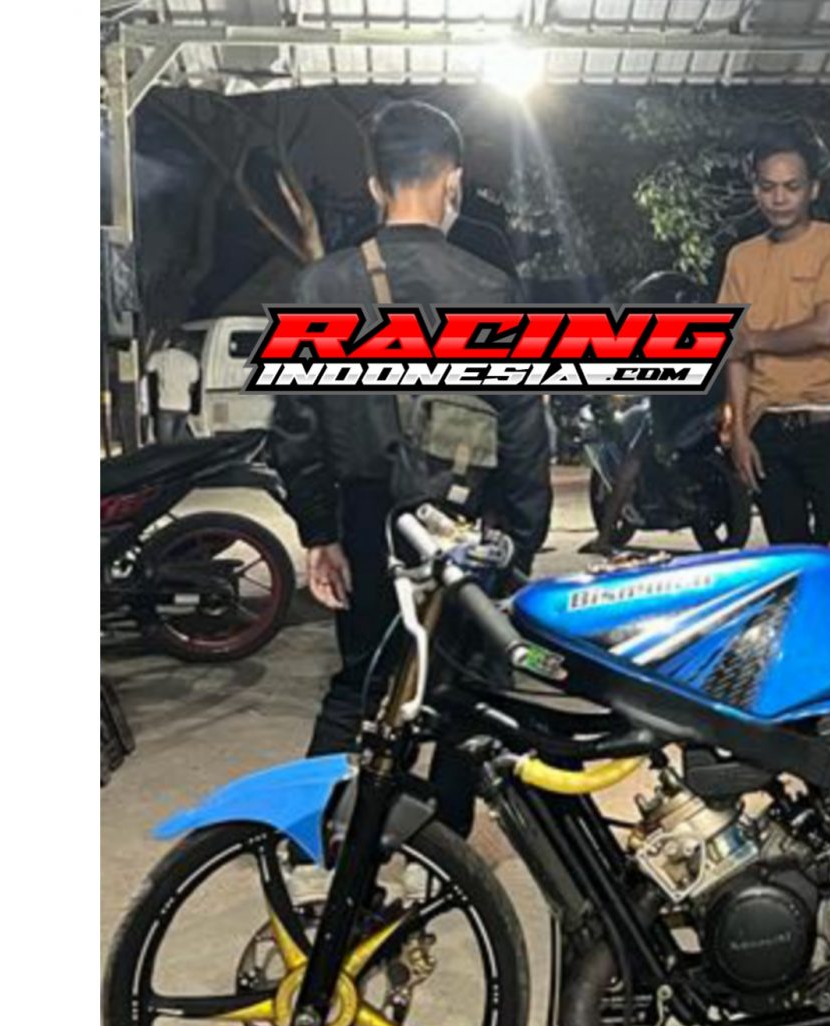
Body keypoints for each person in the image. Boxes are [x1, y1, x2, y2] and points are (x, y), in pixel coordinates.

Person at [268, 100, 552, 834]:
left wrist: (320, 532)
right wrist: (520, 544)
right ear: (453, 180)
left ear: (374, 185)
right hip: (467, 523)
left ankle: (322, 842)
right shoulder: (490, 290)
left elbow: (296, 429)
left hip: (369, 519)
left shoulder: (321, 288)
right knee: (463, 693)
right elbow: (525, 433)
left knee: (361, 682)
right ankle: (442, 851)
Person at [718, 128, 830, 545]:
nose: (779, 198)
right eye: (768, 187)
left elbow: (823, 330)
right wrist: (739, 434)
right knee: (787, 557)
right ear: (755, 191)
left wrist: (752, 339)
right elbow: (735, 355)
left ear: (813, 189)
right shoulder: (741, 259)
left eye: (792, 187)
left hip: (828, 424)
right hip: (766, 430)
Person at [142, 334, 198, 443]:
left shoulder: (160, 356)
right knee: (177, 443)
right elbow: (193, 383)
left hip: (166, 405)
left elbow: (147, 367)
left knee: (165, 443)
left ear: (169, 342)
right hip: (184, 406)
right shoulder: (191, 360)